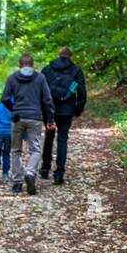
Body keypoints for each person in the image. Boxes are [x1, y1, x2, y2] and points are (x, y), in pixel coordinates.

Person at [0, 53, 55, 195]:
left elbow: (4, 99)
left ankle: (17, 183)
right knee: (35, 149)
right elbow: (47, 100)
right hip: (35, 118)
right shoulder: (40, 78)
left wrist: (14, 109)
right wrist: (50, 119)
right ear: (33, 65)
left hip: (18, 118)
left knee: (16, 150)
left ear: (19, 64)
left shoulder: (12, 78)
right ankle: (30, 173)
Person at [40, 47, 87, 185]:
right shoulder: (76, 71)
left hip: (49, 110)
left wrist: (42, 108)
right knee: (62, 139)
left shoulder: (47, 70)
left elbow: (41, 90)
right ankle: (59, 173)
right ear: (70, 57)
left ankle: (44, 168)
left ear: (58, 55)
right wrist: (78, 109)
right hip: (67, 110)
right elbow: (82, 92)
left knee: (49, 137)